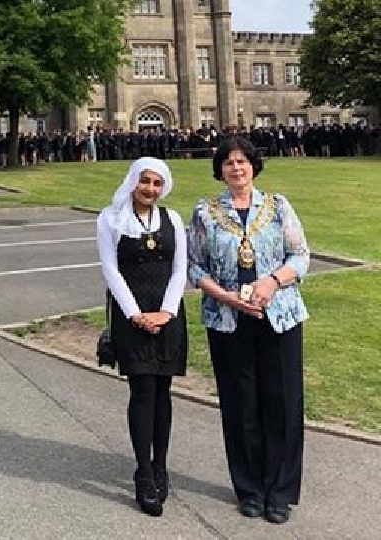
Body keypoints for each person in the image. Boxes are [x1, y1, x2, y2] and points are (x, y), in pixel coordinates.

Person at [188, 136, 309, 525]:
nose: (236, 168)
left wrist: (272, 282)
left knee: (283, 401)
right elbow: (195, 266)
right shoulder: (205, 212)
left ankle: (280, 491)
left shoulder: (278, 206)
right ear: (220, 170)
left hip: (279, 315)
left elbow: (300, 255)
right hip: (228, 319)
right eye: (228, 162)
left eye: (242, 161)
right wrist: (224, 296)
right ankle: (250, 489)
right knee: (241, 404)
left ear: (253, 167)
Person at [96, 157, 188, 517]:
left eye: (156, 183)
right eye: (144, 181)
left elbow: (180, 268)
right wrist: (136, 315)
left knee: (163, 392)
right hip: (130, 314)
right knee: (143, 391)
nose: (150, 189)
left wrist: (166, 312)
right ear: (133, 181)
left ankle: (161, 465)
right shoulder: (110, 219)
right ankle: (143, 472)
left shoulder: (173, 220)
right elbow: (110, 270)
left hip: (167, 314)